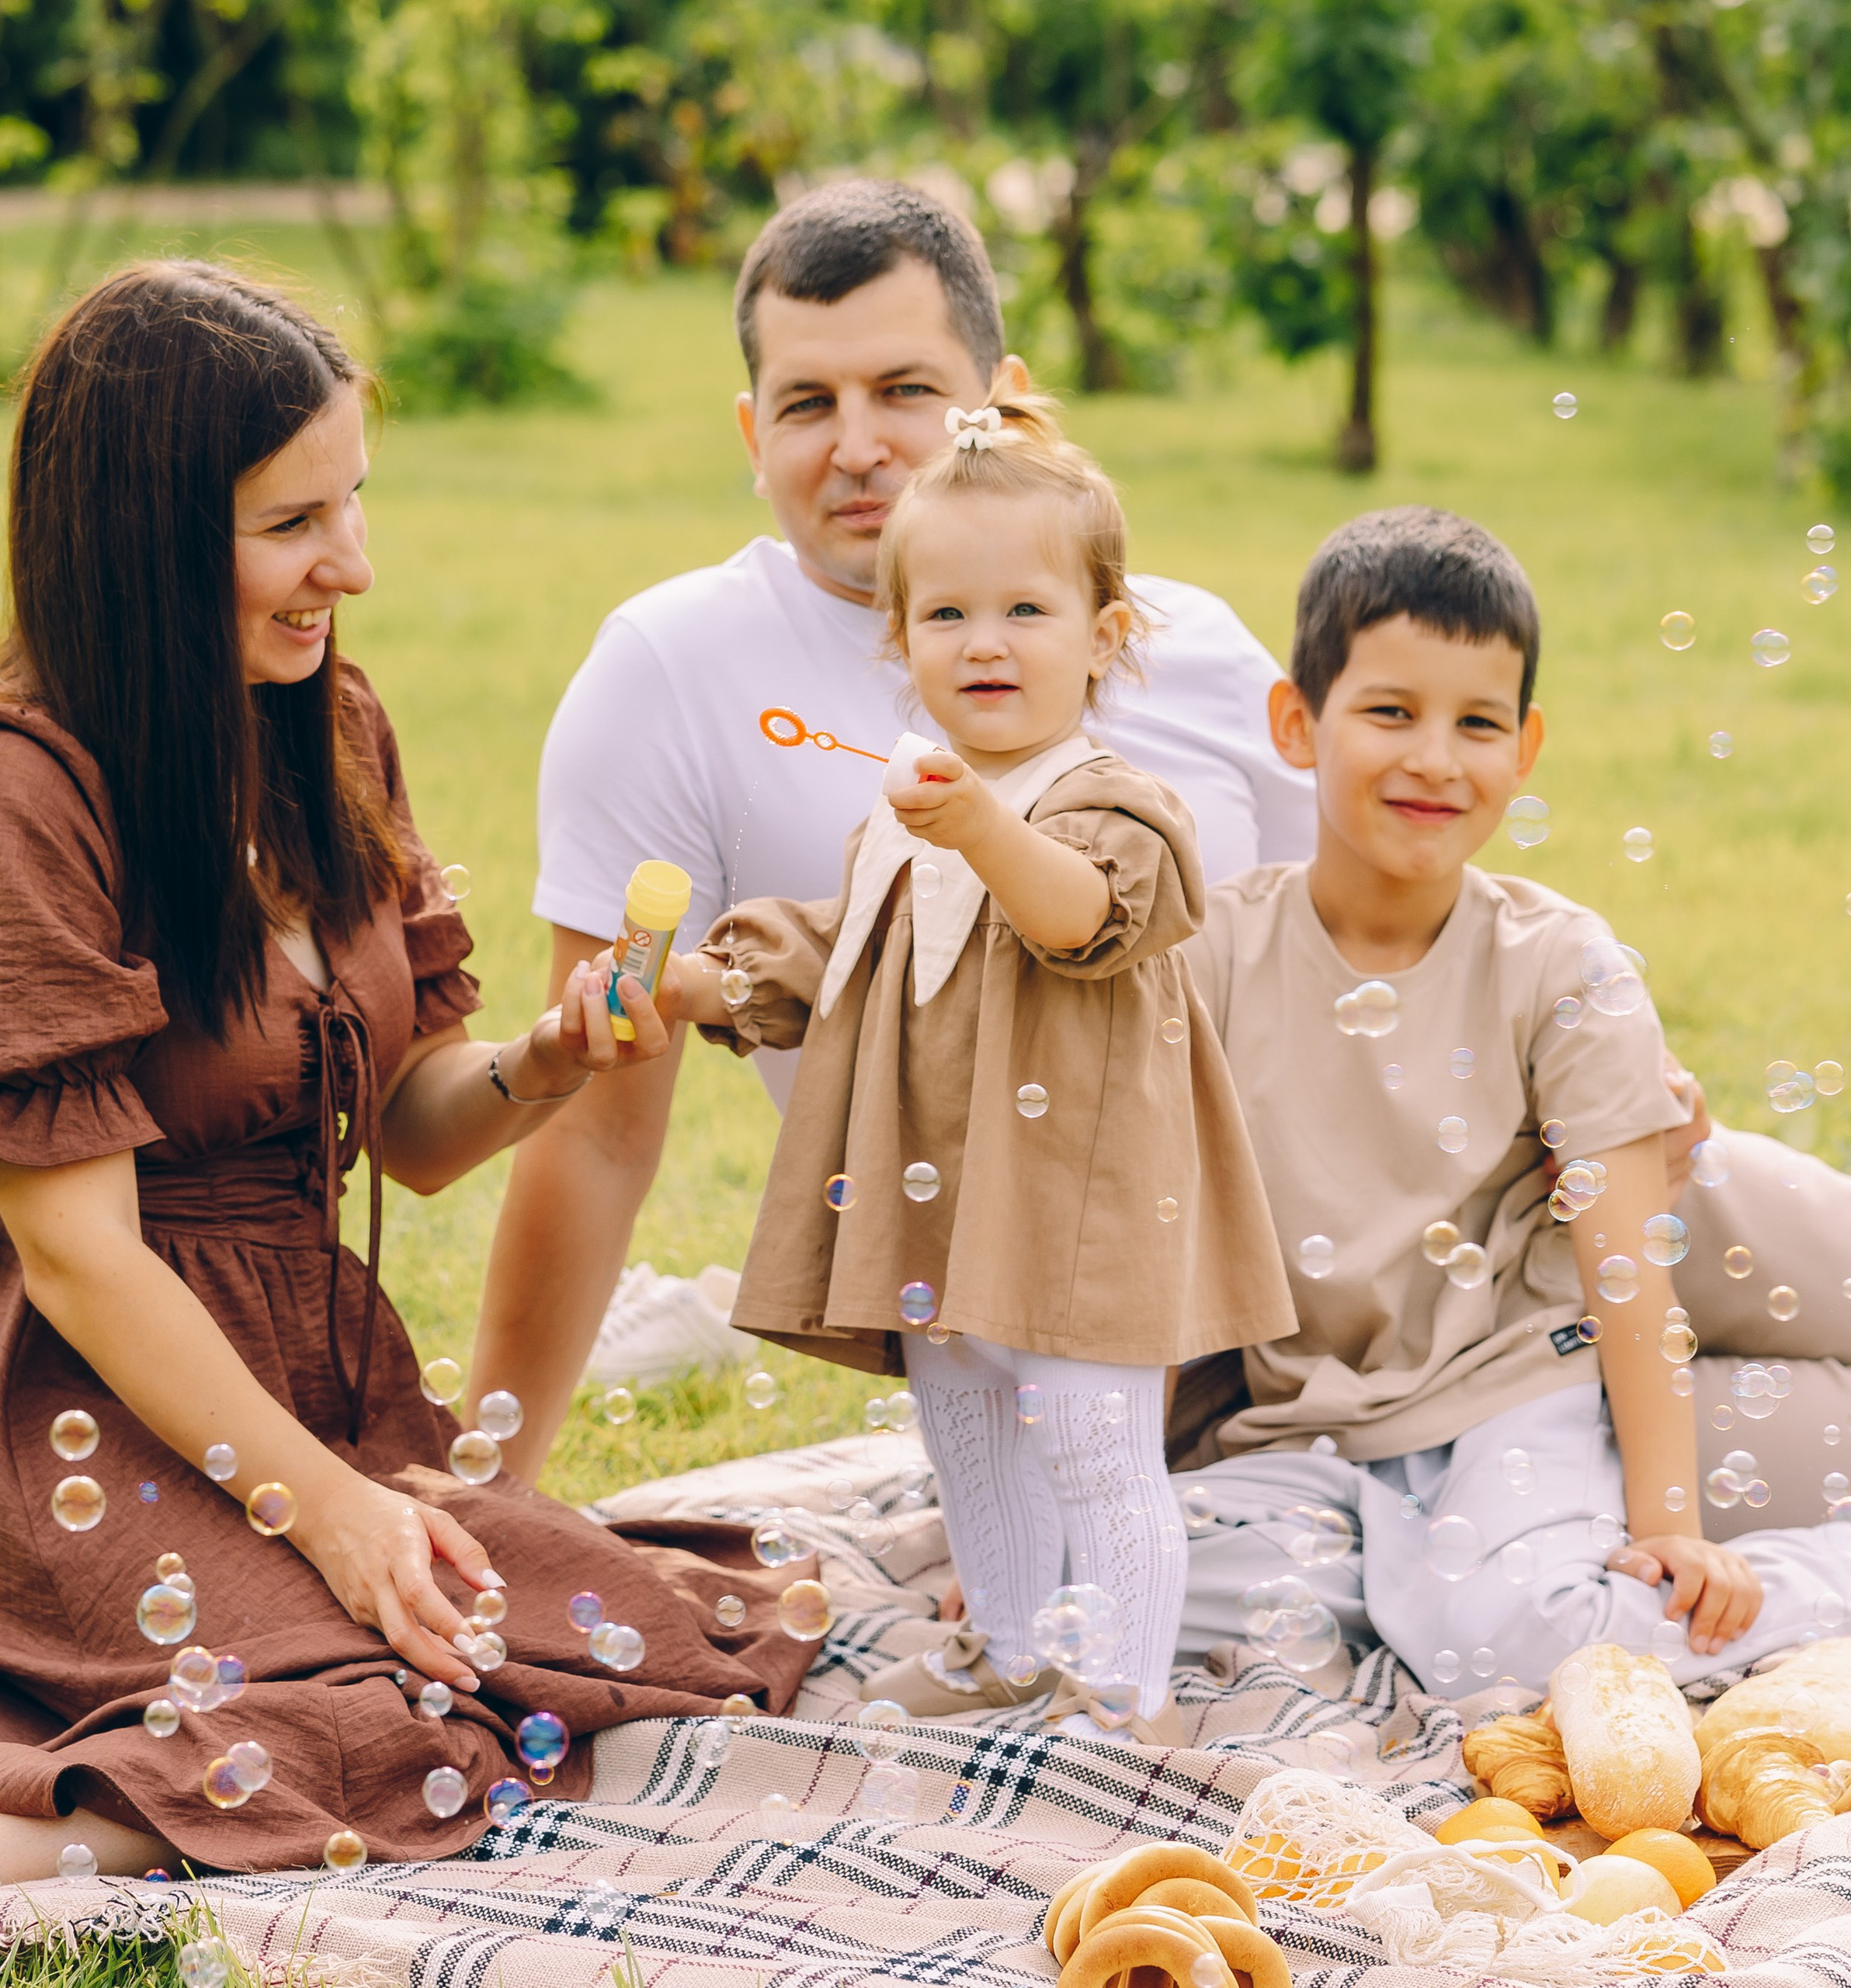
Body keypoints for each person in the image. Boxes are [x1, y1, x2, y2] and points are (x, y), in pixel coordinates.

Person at [0, 265, 814, 1882]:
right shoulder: (35, 798)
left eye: (353, 503)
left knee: (636, 1629)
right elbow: (78, 1250)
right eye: (294, 523)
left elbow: (415, 1133)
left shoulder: (327, 729)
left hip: (315, 1389)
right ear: (150, 537)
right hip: (86, 1414)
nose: (349, 567)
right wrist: (332, 1514)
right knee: (377, 1717)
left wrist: (549, 1057)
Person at [474, 179, 1314, 1484]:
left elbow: (1378, 948)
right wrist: (495, 1486)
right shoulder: (674, 668)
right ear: (752, 435)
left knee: (1723, 1231)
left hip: (1309, 1267)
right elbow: (597, 1122)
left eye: (906, 391)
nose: (857, 446)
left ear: (1007, 401)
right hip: (1026, 1318)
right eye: (808, 404)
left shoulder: (1184, 645)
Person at [1169, 507, 1851, 1694]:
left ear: (1528, 747)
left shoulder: (1558, 962)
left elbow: (1628, 1268)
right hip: (1318, 1428)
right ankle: (1445, 1574)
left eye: (1478, 724)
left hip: (1513, 1387)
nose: (1436, 759)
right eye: (1390, 712)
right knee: (1093, 1597)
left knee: (1513, 1638)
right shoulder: (1213, 959)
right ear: (1298, 723)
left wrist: (1671, 1526)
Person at [655, 394, 1297, 1742]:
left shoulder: (1112, 802)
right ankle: (1006, 1645)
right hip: (946, 1206)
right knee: (966, 1431)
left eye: (1026, 611)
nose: (984, 642)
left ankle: (1127, 1693)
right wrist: (703, 979)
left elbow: (1082, 918)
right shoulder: (905, 816)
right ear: (900, 643)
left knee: (1092, 1445)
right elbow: (848, 951)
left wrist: (971, 826)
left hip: (1077, 1208)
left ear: (1104, 637)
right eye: (944, 615)